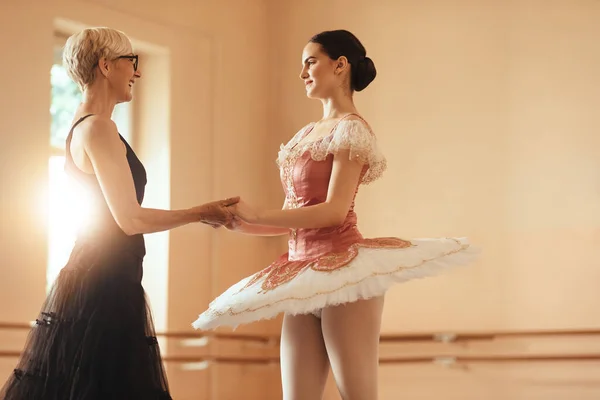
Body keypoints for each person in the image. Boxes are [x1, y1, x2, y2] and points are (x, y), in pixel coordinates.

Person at [193, 30, 479, 399]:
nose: (302, 73)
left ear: (340, 65)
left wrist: (255, 212)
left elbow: (331, 213)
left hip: (344, 273)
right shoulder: (306, 134)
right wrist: (239, 223)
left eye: (310, 61)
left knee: (357, 396)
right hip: (301, 275)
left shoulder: (352, 129)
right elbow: (293, 216)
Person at [1, 27, 237, 400]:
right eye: (132, 62)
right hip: (104, 284)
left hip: (107, 277)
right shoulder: (97, 128)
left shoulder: (88, 125)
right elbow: (131, 219)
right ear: (106, 65)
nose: (137, 73)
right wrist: (201, 212)